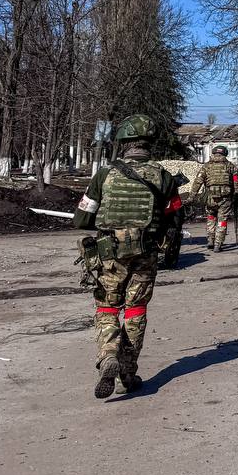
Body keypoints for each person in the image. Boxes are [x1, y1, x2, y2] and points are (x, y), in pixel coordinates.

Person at [73, 114, 182, 399]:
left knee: (107, 307)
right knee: (136, 310)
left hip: (110, 254)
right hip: (146, 253)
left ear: (122, 142)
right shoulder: (164, 176)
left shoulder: (105, 175)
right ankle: (127, 371)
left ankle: (108, 355)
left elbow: (82, 219)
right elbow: (175, 218)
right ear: (150, 144)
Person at [189, 144, 238, 252]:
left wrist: (192, 196)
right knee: (222, 221)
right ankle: (218, 244)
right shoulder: (231, 166)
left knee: (211, 218)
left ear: (214, 153)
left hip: (210, 198)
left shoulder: (206, 166)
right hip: (225, 199)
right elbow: (236, 183)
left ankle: (210, 241)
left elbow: (198, 181)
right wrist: (237, 197)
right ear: (225, 153)